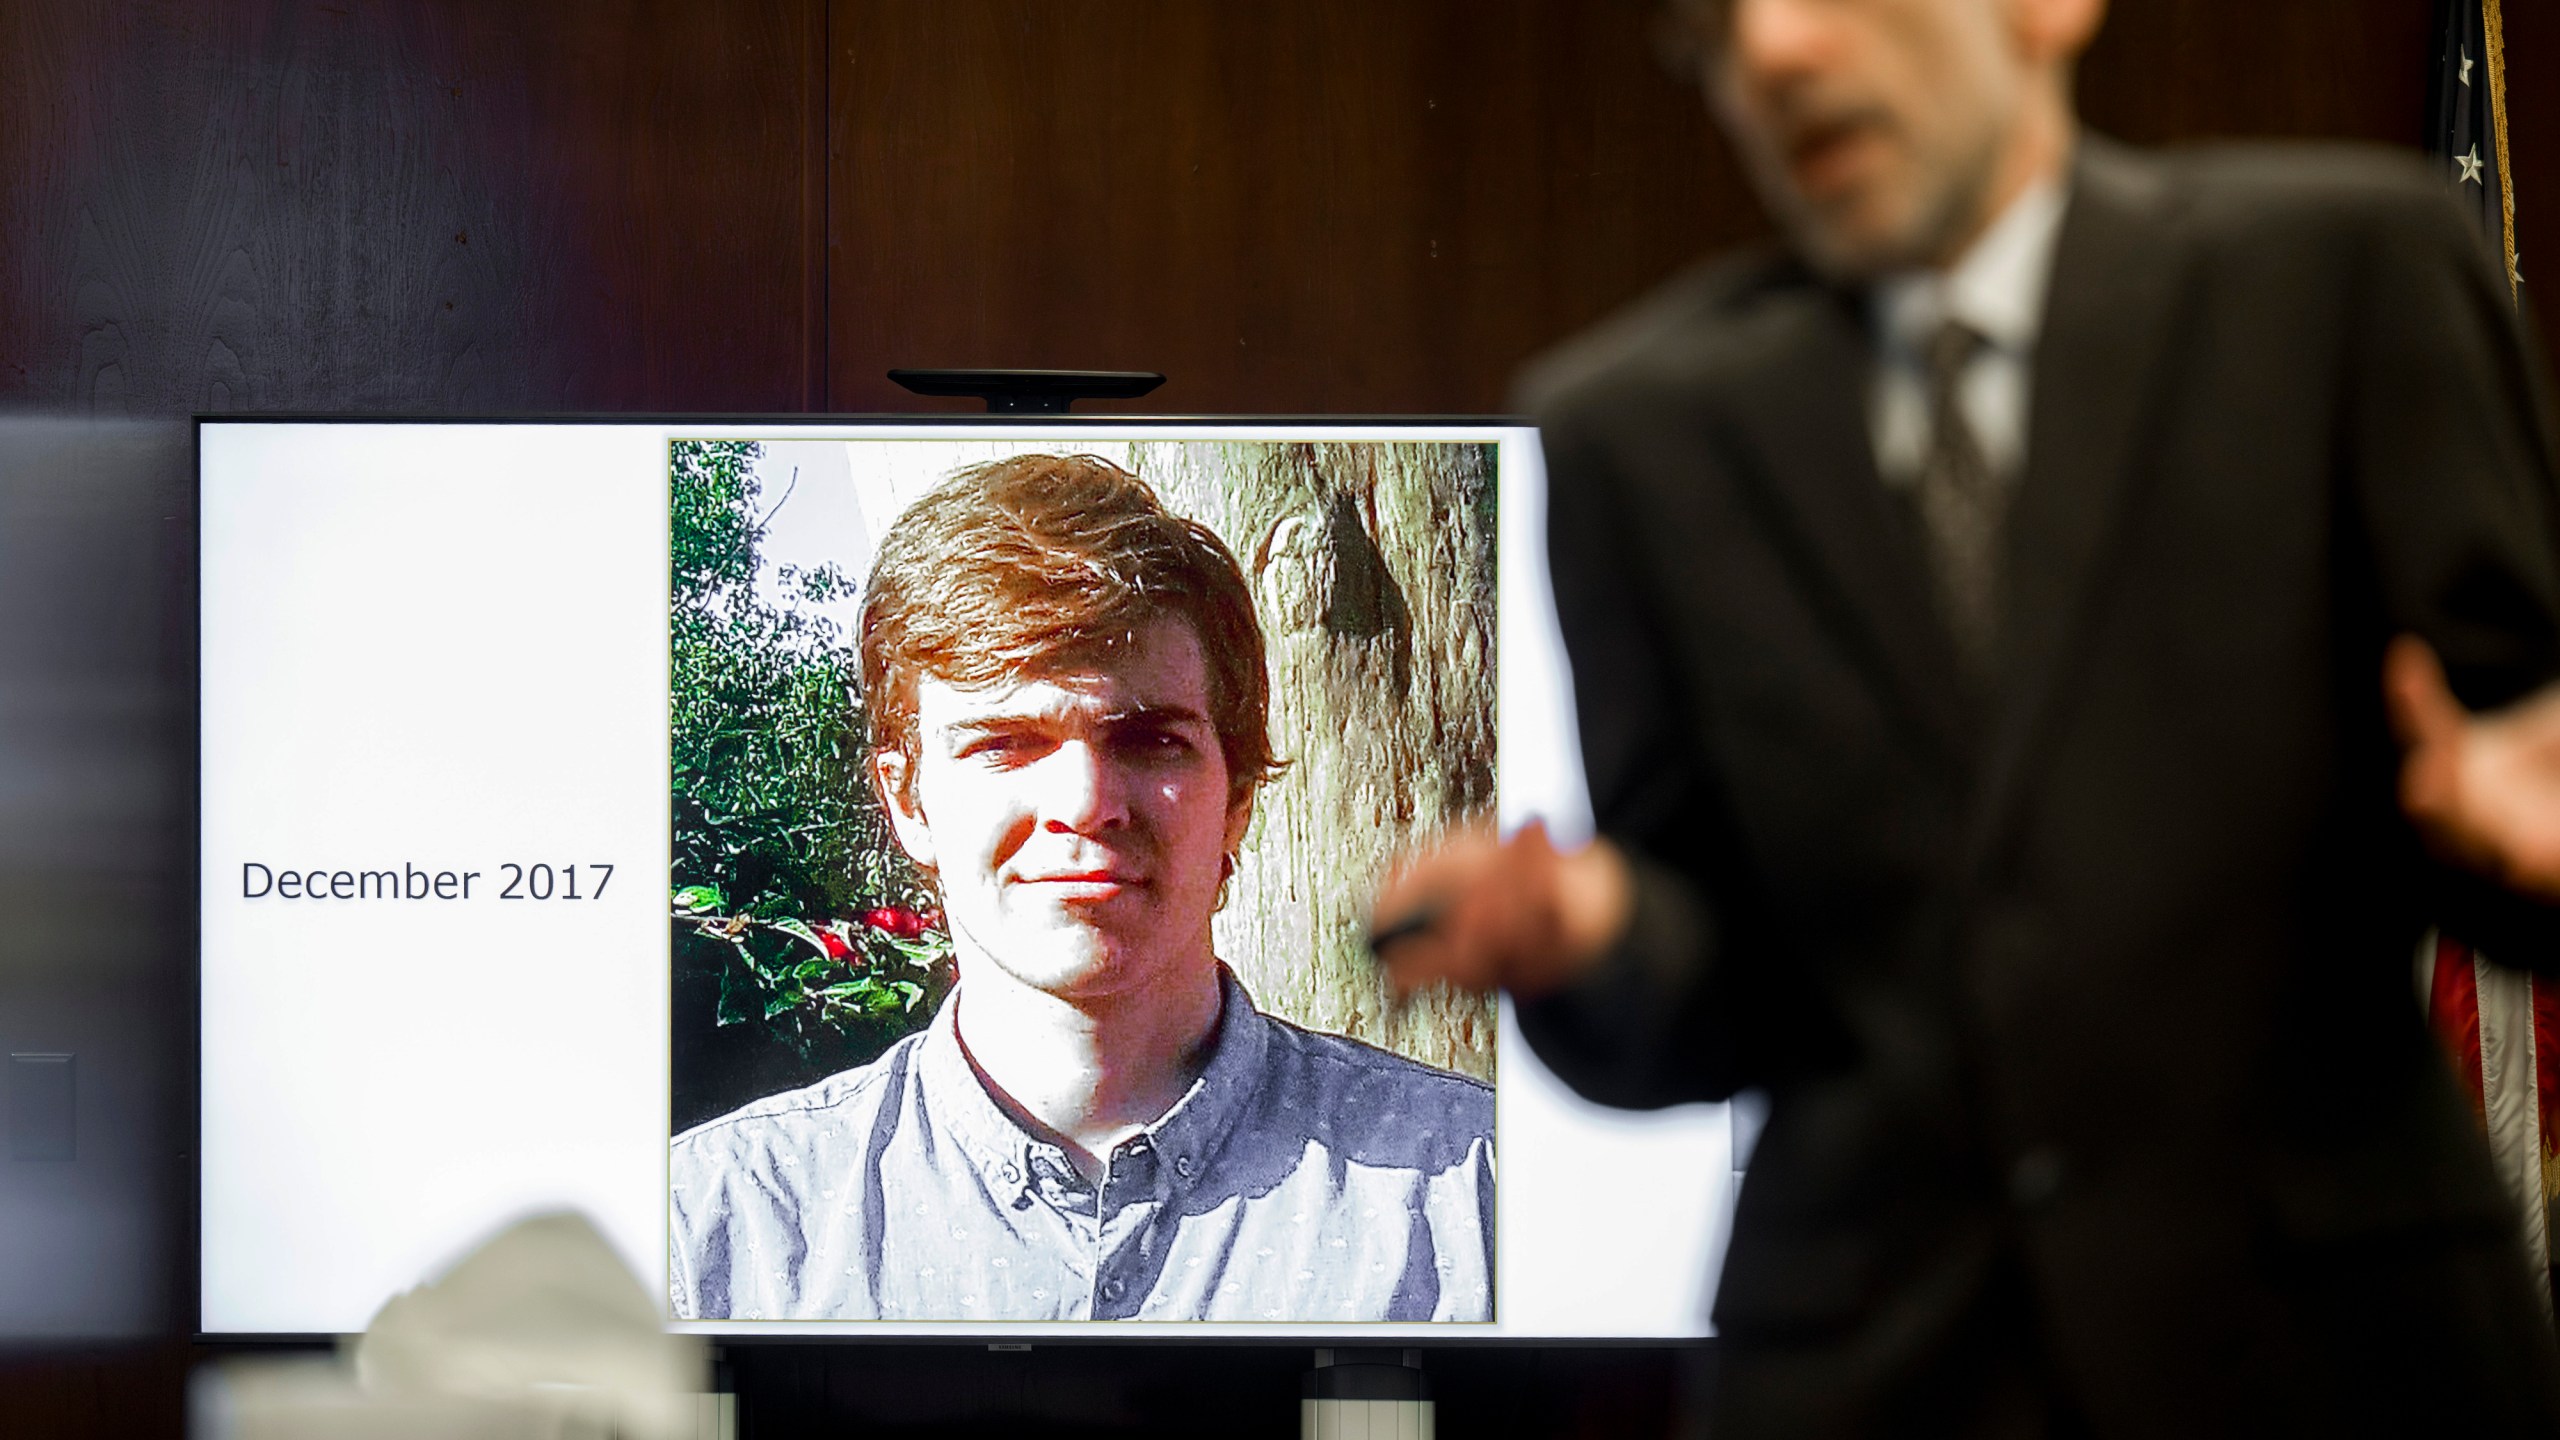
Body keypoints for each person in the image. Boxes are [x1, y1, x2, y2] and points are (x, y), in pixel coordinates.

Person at [1374, 0, 2560, 1432]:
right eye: (1719, 28)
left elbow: (2511, 774)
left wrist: (2525, 836)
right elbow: (1714, 976)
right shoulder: (1640, 431)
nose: (1778, 55)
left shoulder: (2349, 281)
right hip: (1876, 1375)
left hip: (2334, 1359)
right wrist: (1595, 940)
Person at [671, 453, 1495, 1323]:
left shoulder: (1479, 1199)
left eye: (1148, 739)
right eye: (1006, 743)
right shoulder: (719, 1231)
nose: (1085, 803)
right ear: (908, 800)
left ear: (1238, 802)